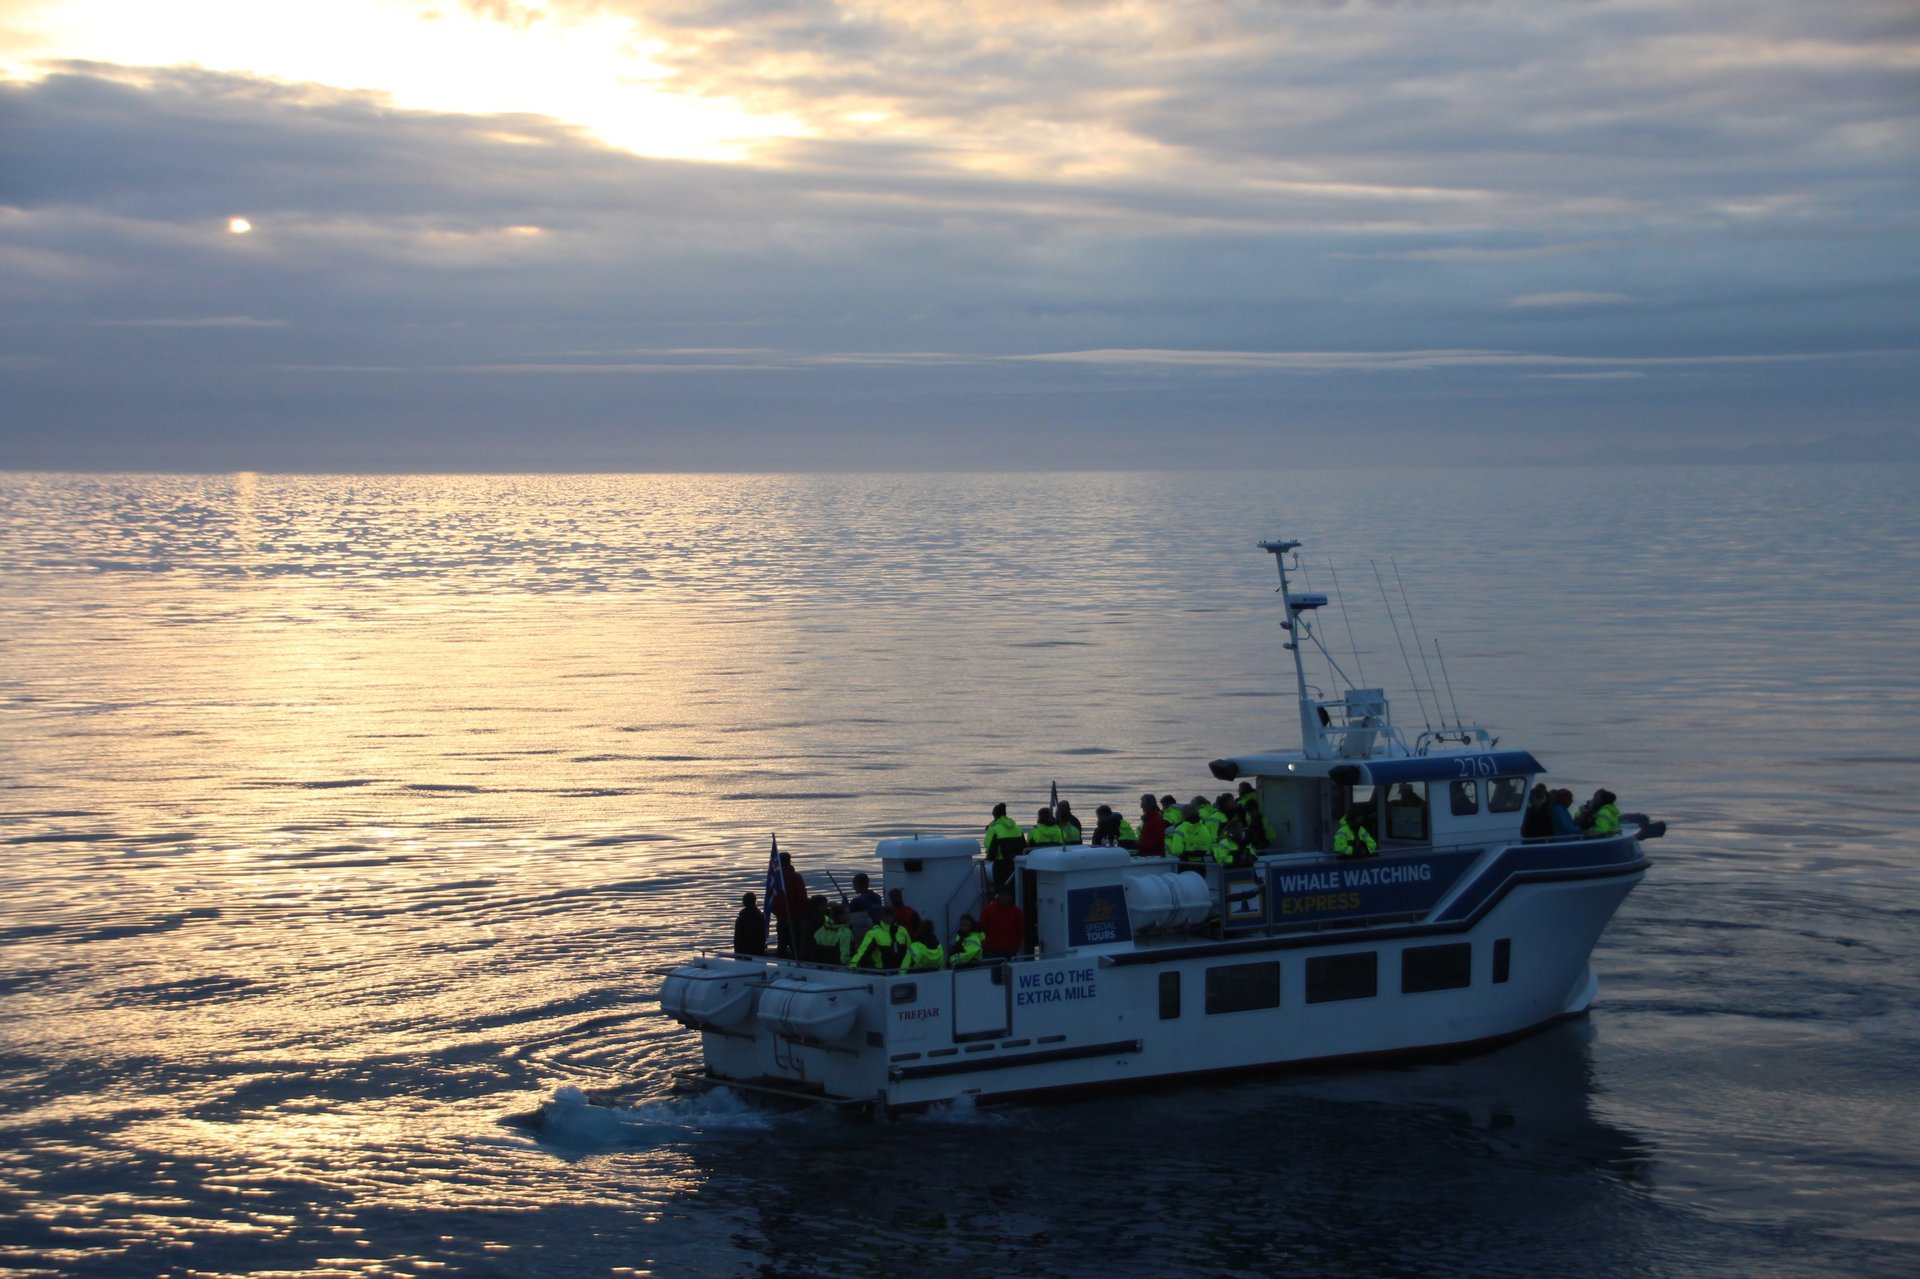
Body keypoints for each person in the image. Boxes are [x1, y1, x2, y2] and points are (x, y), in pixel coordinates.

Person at [771, 851, 807, 957]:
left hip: (780, 916)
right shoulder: (795, 877)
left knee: (782, 943)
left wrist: (775, 911)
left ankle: (781, 962)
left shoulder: (775, 879)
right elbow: (802, 897)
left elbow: (771, 897)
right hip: (795, 916)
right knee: (795, 943)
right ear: (789, 861)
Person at [850, 906, 909, 970]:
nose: (889, 918)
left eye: (891, 915)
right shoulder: (874, 933)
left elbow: (910, 949)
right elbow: (862, 950)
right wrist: (854, 963)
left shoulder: (902, 930)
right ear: (882, 917)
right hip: (882, 972)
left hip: (902, 971)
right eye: (886, 915)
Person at [982, 803, 1024, 891]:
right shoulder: (1018, 828)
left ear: (994, 815)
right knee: (1015, 889)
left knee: (1001, 890)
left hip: (1000, 865)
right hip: (1015, 864)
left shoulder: (994, 829)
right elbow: (1024, 846)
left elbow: (988, 846)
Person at [981, 886, 1025, 959]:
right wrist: (985, 947)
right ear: (998, 895)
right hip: (991, 951)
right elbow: (982, 929)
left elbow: (1019, 931)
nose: (1005, 897)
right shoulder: (988, 911)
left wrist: (1016, 947)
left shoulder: (1016, 912)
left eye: (1007, 895)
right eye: (1002, 894)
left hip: (1010, 951)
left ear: (1010, 896)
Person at [1136, 794, 1168, 858]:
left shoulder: (1156, 819)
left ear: (1148, 805)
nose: (1141, 806)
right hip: (1148, 856)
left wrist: (1138, 845)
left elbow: (1157, 841)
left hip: (1153, 857)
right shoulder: (1149, 819)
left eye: (1143, 804)